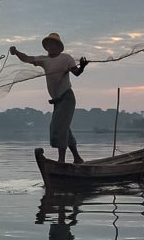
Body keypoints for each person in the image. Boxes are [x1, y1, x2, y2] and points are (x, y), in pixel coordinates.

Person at [10, 34, 92, 165]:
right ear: (46, 47)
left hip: (67, 98)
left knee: (59, 127)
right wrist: (16, 52)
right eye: (49, 45)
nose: (51, 46)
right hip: (57, 101)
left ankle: (61, 161)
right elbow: (27, 58)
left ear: (59, 47)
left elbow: (76, 73)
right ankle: (77, 158)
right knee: (64, 128)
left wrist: (82, 66)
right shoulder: (44, 60)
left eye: (54, 44)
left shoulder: (66, 58)